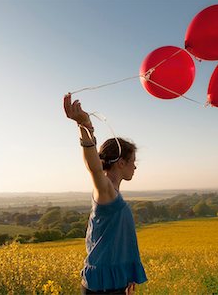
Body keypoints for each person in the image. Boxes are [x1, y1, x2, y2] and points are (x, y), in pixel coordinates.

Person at [63, 93, 147, 295]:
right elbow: (94, 167)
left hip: (113, 283)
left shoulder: (113, 192)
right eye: (133, 161)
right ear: (121, 162)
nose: (135, 167)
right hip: (103, 287)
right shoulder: (105, 189)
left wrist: (126, 275)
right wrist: (84, 125)